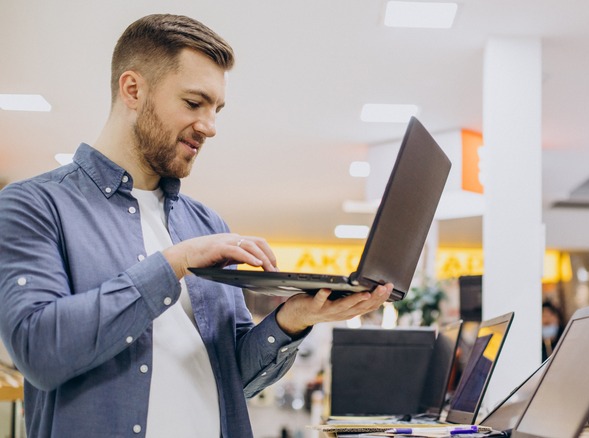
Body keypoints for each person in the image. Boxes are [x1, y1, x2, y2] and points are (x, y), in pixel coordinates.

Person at [0, 14, 392, 438]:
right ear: (133, 89)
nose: (210, 126)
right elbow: (38, 351)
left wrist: (292, 320)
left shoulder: (205, 223)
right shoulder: (33, 205)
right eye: (193, 103)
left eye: (216, 109)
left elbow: (234, 380)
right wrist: (173, 264)